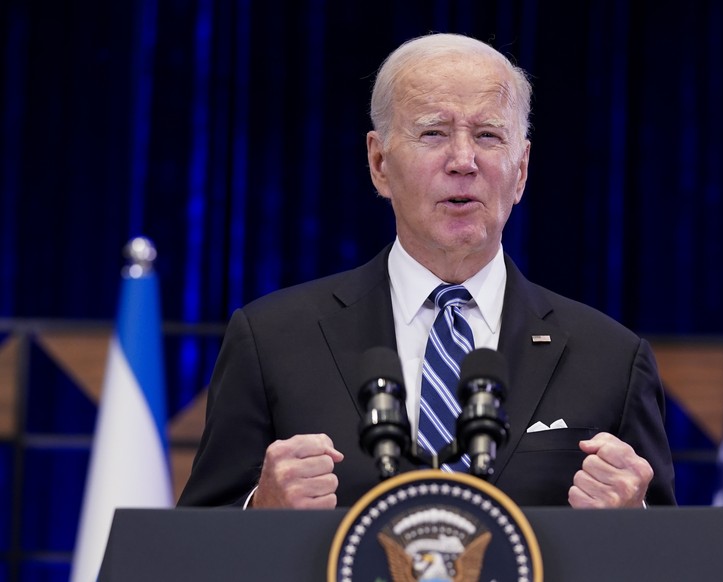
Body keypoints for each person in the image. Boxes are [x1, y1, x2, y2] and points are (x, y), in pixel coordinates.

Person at [178, 32, 676, 510]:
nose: (463, 160)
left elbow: (676, 559)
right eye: (433, 132)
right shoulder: (272, 340)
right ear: (379, 163)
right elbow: (193, 552)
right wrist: (259, 512)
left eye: (487, 135)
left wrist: (633, 526)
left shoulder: (612, 359)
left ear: (520, 170)